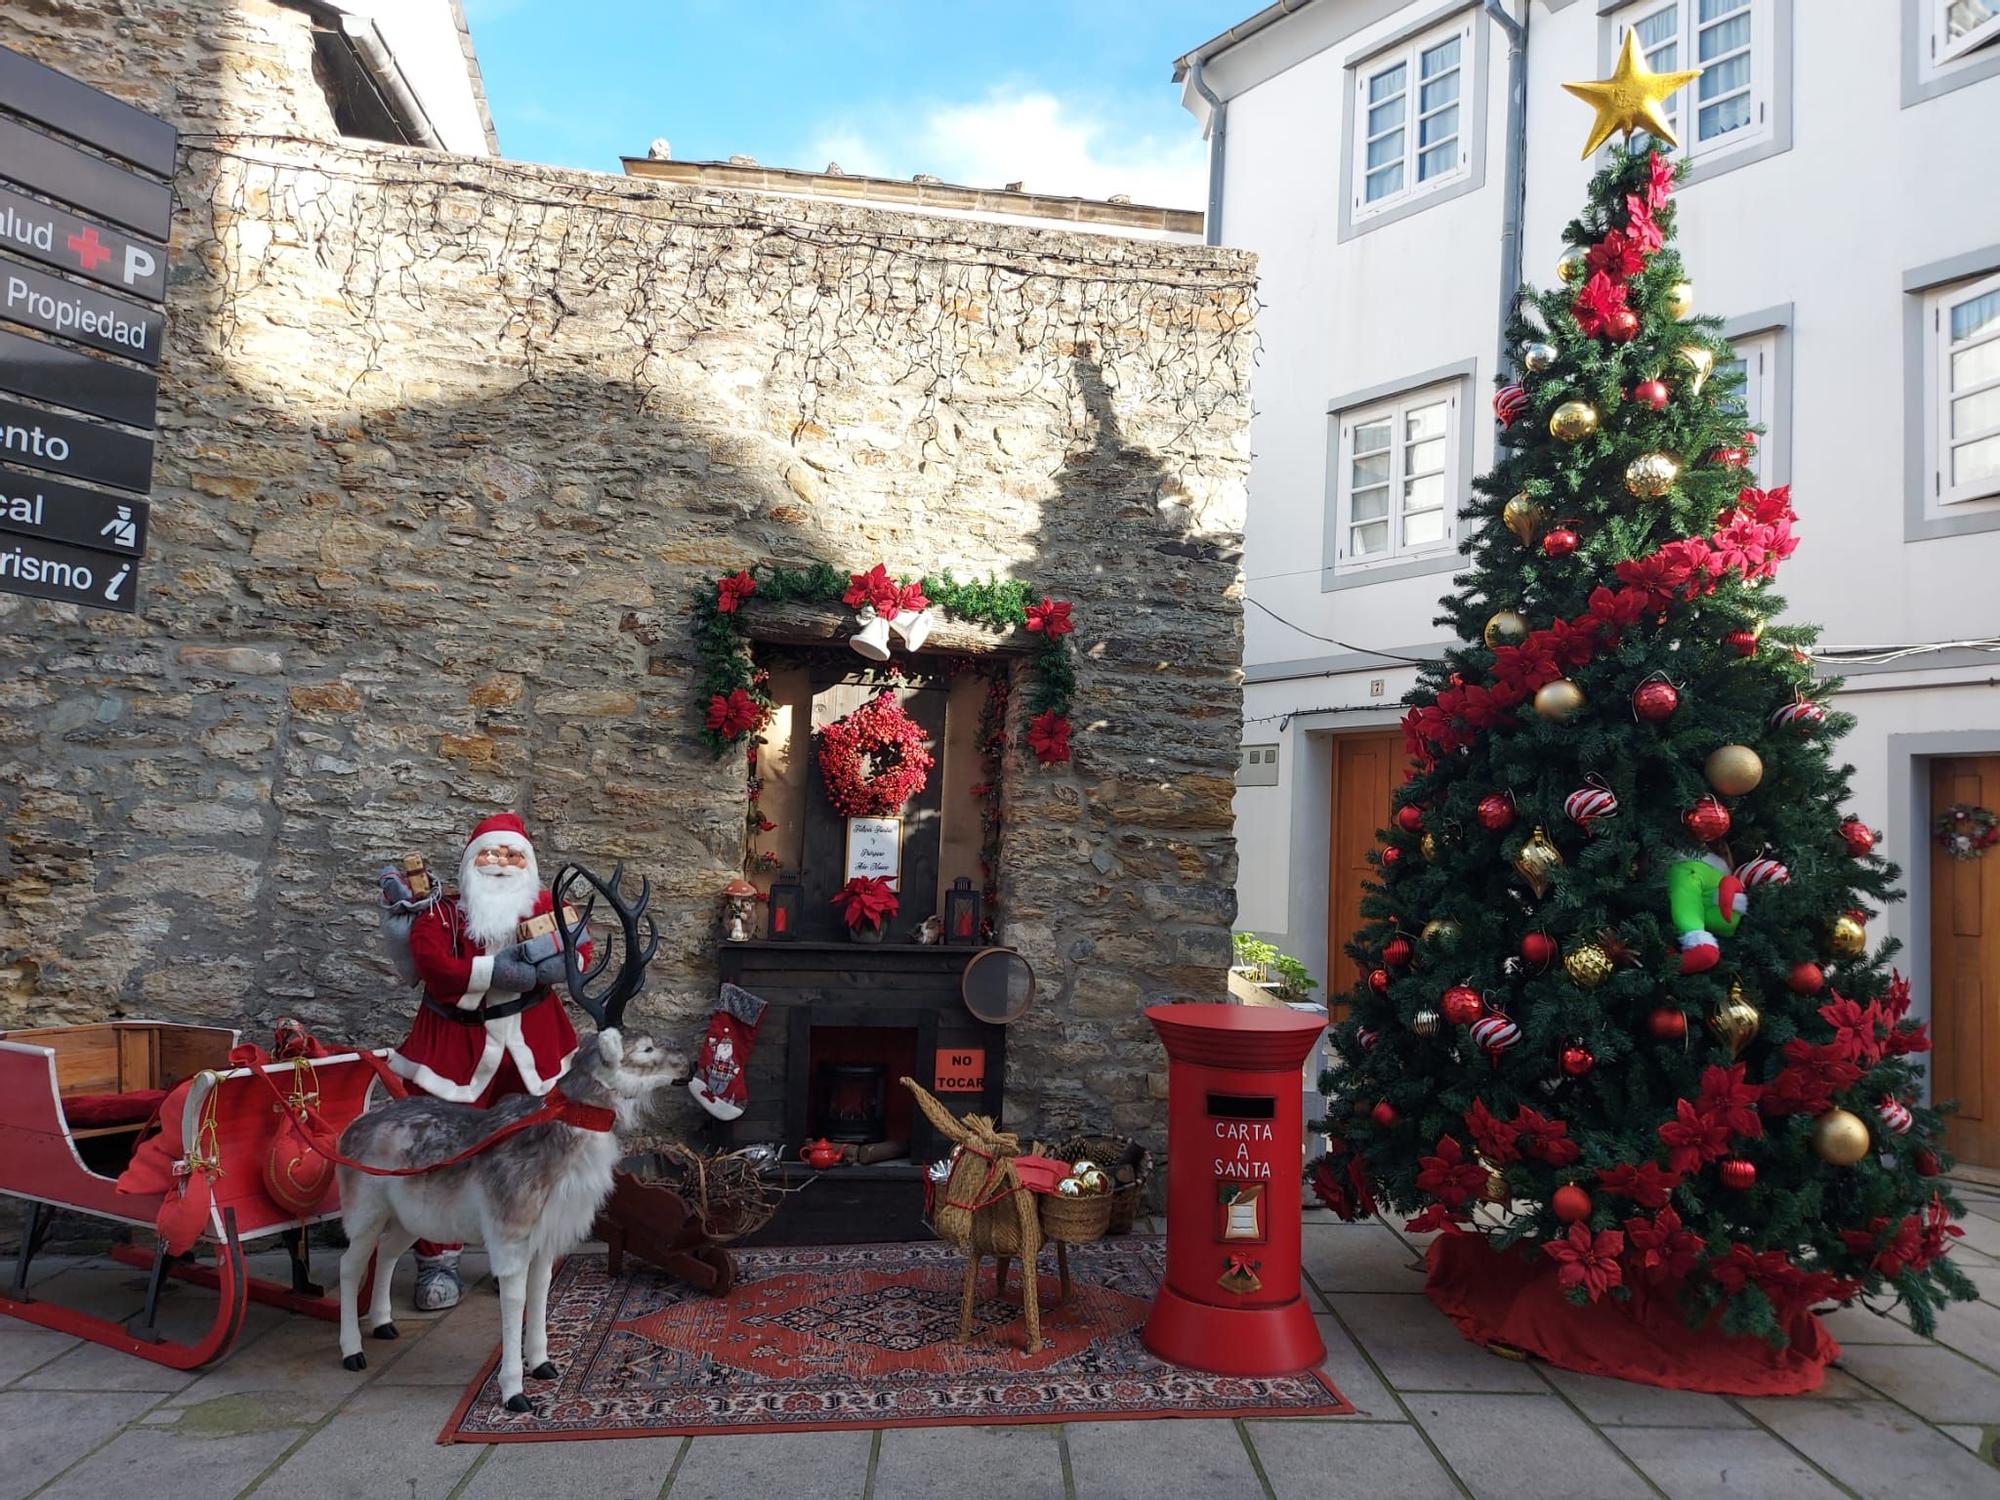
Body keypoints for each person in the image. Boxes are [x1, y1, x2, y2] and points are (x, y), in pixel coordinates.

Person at [376, 812, 585, 1310]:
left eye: (513, 855)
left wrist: (560, 961)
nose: (501, 863)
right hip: (454, 1047)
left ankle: (522, 1250)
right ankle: (436, 1259)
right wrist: (497, 969)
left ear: (528, 864)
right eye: (490, 853)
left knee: (535, 1150)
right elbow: (435, 965)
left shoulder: (547, 907)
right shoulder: (442, 914)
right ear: (472, 861)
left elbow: (579, 950)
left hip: (532, 1043)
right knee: (437, 1151)